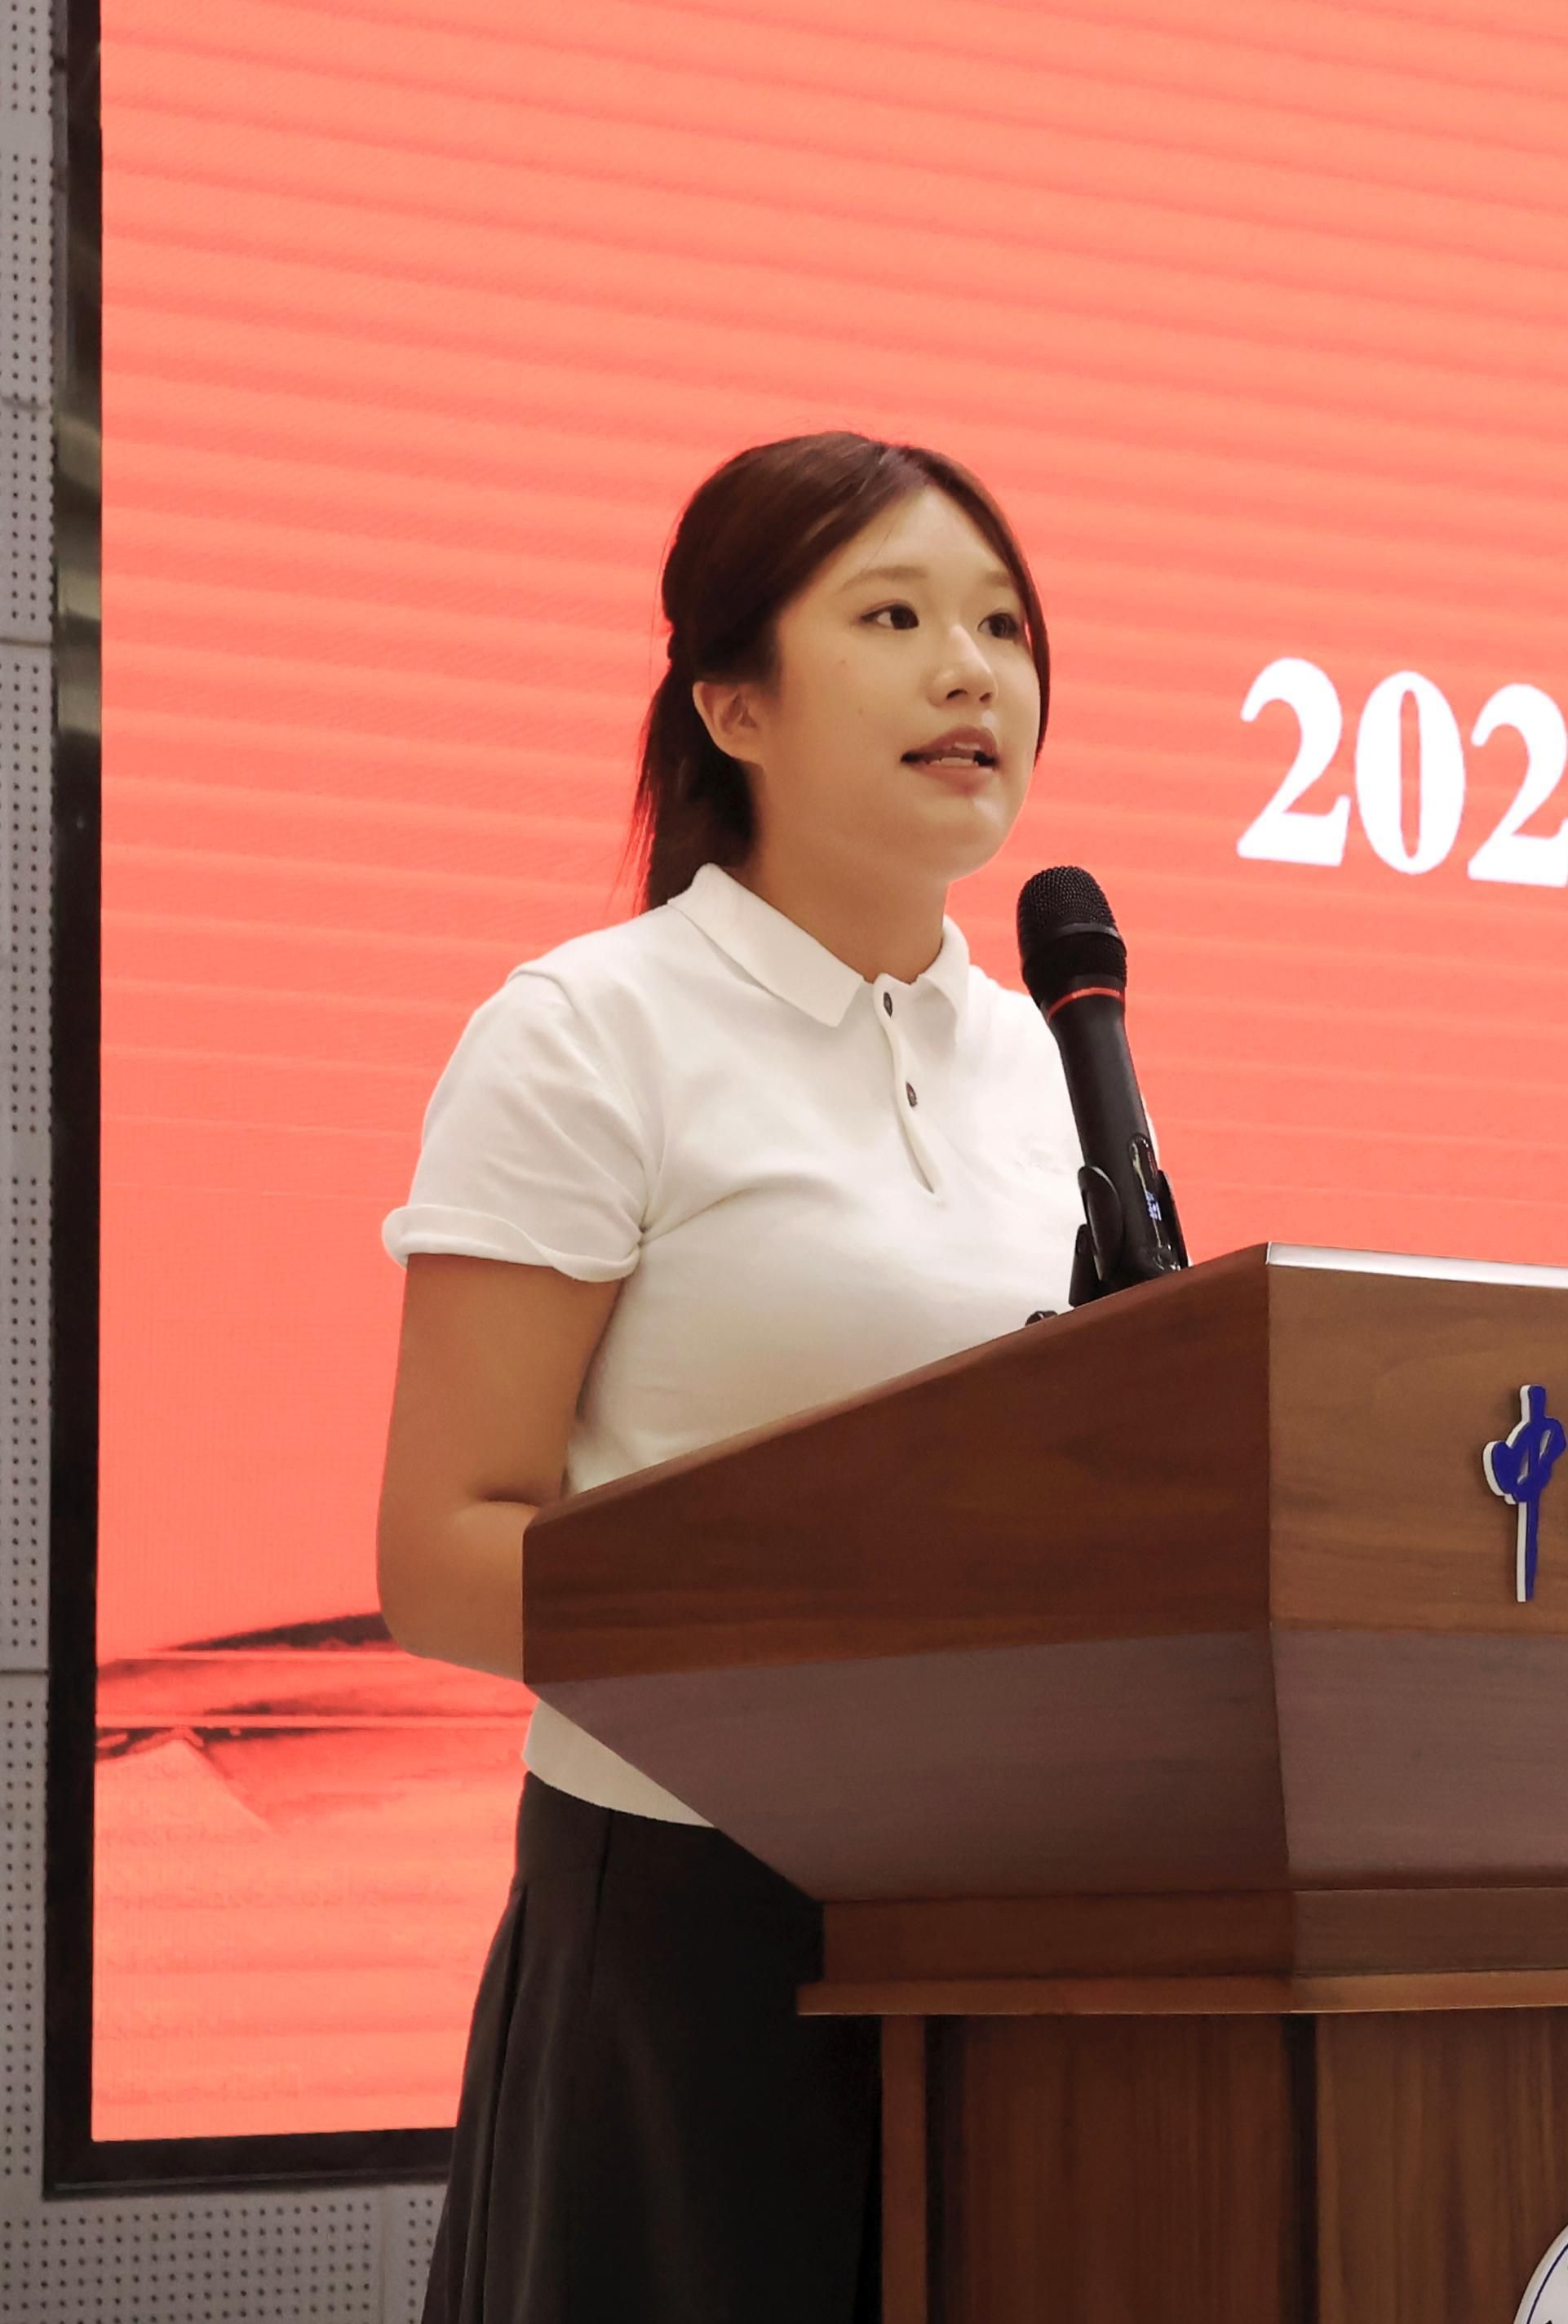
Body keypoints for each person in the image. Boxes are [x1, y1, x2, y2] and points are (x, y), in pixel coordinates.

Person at [375, 432, 1089, 2323]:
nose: (971, 670)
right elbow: (445, 1550)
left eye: (1003, 625)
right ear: (733, 703)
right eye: (895, 618)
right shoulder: (590, 1033)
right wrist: (827, 1636)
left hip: (1013, 1918)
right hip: (691, 1916)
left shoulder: (1050, 1063)